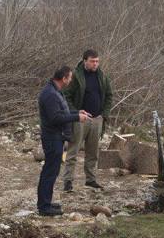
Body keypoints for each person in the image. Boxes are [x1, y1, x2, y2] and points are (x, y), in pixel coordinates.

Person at [37, 66, 90, 216]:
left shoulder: (55, 91)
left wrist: (77, 112)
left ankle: (46, 203)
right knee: (49, 172)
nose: (71, 80)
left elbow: (61, 112)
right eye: (70, 78)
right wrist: (76, 118)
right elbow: (55, 118)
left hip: (56, 137)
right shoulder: (50, 94)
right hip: (52, 137)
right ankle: (44, 207)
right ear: (64, 78)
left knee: (52, 171)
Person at [62, 49, 114, 192]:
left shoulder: (102, 76)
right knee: (73, 151)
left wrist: (104, 114)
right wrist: (75, 112)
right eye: (92, 61)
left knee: (92, 153)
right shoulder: (76, 76)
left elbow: (109, 96)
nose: (95, 64)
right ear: (85, 61)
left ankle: (91, 180)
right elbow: (66, 96)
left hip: (97, 119)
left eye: (97, 61)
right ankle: (68, 182)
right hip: (80, 119)